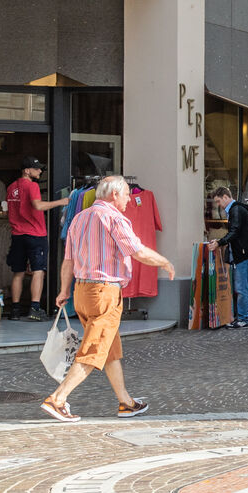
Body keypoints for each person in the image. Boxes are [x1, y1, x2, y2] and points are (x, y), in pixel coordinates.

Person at [41, 175, 175, 423]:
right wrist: (164, 262)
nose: (128, 200)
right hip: (104, 292)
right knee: (94, 350)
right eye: (126, 195)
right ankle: (57, 399)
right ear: (114, 194)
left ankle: (126, 402)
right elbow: (137, 251)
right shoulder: (113, 217)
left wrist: (63, 291)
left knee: (109, 349)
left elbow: (68, 261)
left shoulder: (79, 218)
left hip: (82, 292)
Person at [5, 159, 68, 321]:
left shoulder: (11, 187)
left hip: (17, 234)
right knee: (38, 271)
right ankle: (34, 308)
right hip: (35, 234)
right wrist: (61, 202)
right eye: (37, 169)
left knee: (18, 272)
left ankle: (15, 310)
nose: (40, 171)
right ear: (27, 171)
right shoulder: (32, 186)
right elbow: (38, 206)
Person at [208, 186, 248, 328]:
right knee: (241, 287)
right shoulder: (237, 209)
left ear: (225, 197)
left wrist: (219, 242)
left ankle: (243, 319)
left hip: (243, 254)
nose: (219, 205)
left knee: (242, 288)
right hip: (244, 253)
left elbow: (234, 231)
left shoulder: (235, 210)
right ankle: (241, 317)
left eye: (218, 201)